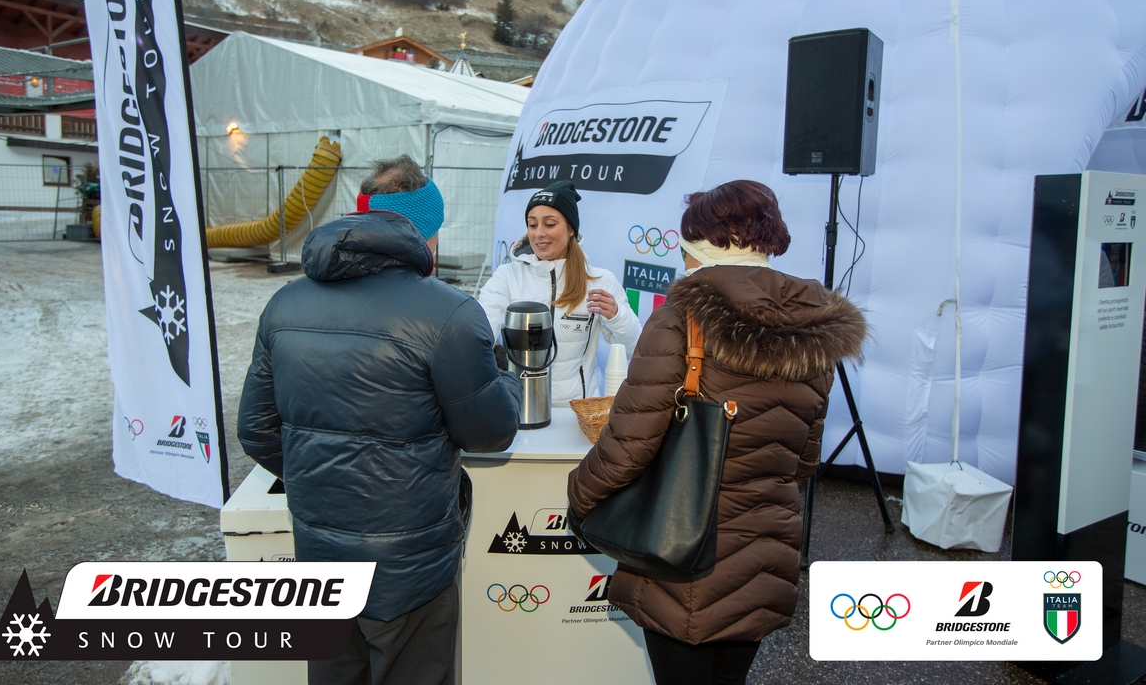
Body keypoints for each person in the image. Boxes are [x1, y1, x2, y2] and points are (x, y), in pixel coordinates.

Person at [566, 180, 867, 685]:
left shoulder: (681, 319)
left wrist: (579, 495)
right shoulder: (817, 328)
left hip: (684, 549)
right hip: (765, 548)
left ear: (702, 246)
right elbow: (804, 460)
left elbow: (627, 449)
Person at [238, 154, 521, 685]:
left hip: (322, 561)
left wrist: (327, 481)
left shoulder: (285, 304)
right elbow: (489, 433)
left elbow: (257, 430)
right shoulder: (449, 313)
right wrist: (507, 379)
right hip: (410, 563)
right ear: (423, 231)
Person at [478, 180, 641, 403]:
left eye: (550, 224)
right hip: (519, 410)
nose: (539, 233)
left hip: (579, 413)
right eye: (532, 225)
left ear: (571, 228)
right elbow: (482, 330)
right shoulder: (507, 276)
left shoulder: (600, 281)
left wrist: (617, 315)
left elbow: (634, 349)